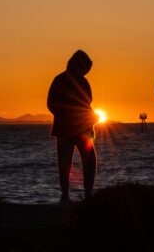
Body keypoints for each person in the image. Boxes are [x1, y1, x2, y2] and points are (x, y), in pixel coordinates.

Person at [47, 50, 99, 204]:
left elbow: (87, 103)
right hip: (65, 129)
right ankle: (65, 195)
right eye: (84, 69)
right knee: (64, 162)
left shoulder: (84, 82)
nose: (85, 72)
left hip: (83, 129)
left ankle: (88, 193)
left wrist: (91, 118)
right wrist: (68, 114)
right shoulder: (60, 80)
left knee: (90, 160)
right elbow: (51, 104)